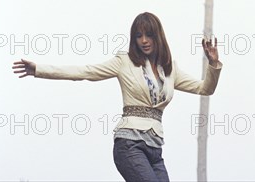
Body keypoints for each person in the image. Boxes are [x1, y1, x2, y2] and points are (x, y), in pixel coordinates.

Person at [12, 12, 223, 182]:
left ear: (157, 36)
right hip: (129, 144)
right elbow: (85, 72)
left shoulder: (170, 70)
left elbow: (205, 89)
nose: (144, 41)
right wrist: (38, 69)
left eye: (148, 35)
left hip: (155, 150)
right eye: (138, 36)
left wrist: (213, 64)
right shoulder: (124, 61)